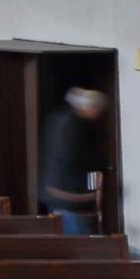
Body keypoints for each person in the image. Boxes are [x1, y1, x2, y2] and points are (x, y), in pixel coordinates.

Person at [39, 87, 106, 236]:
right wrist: (89, 194)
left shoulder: (59, 117)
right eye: (97, 110)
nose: (97, 114)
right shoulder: (73, 126)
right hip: (66, 197)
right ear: (92, 108)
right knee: (79, 245)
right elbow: (69, 162)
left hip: (58, 195)